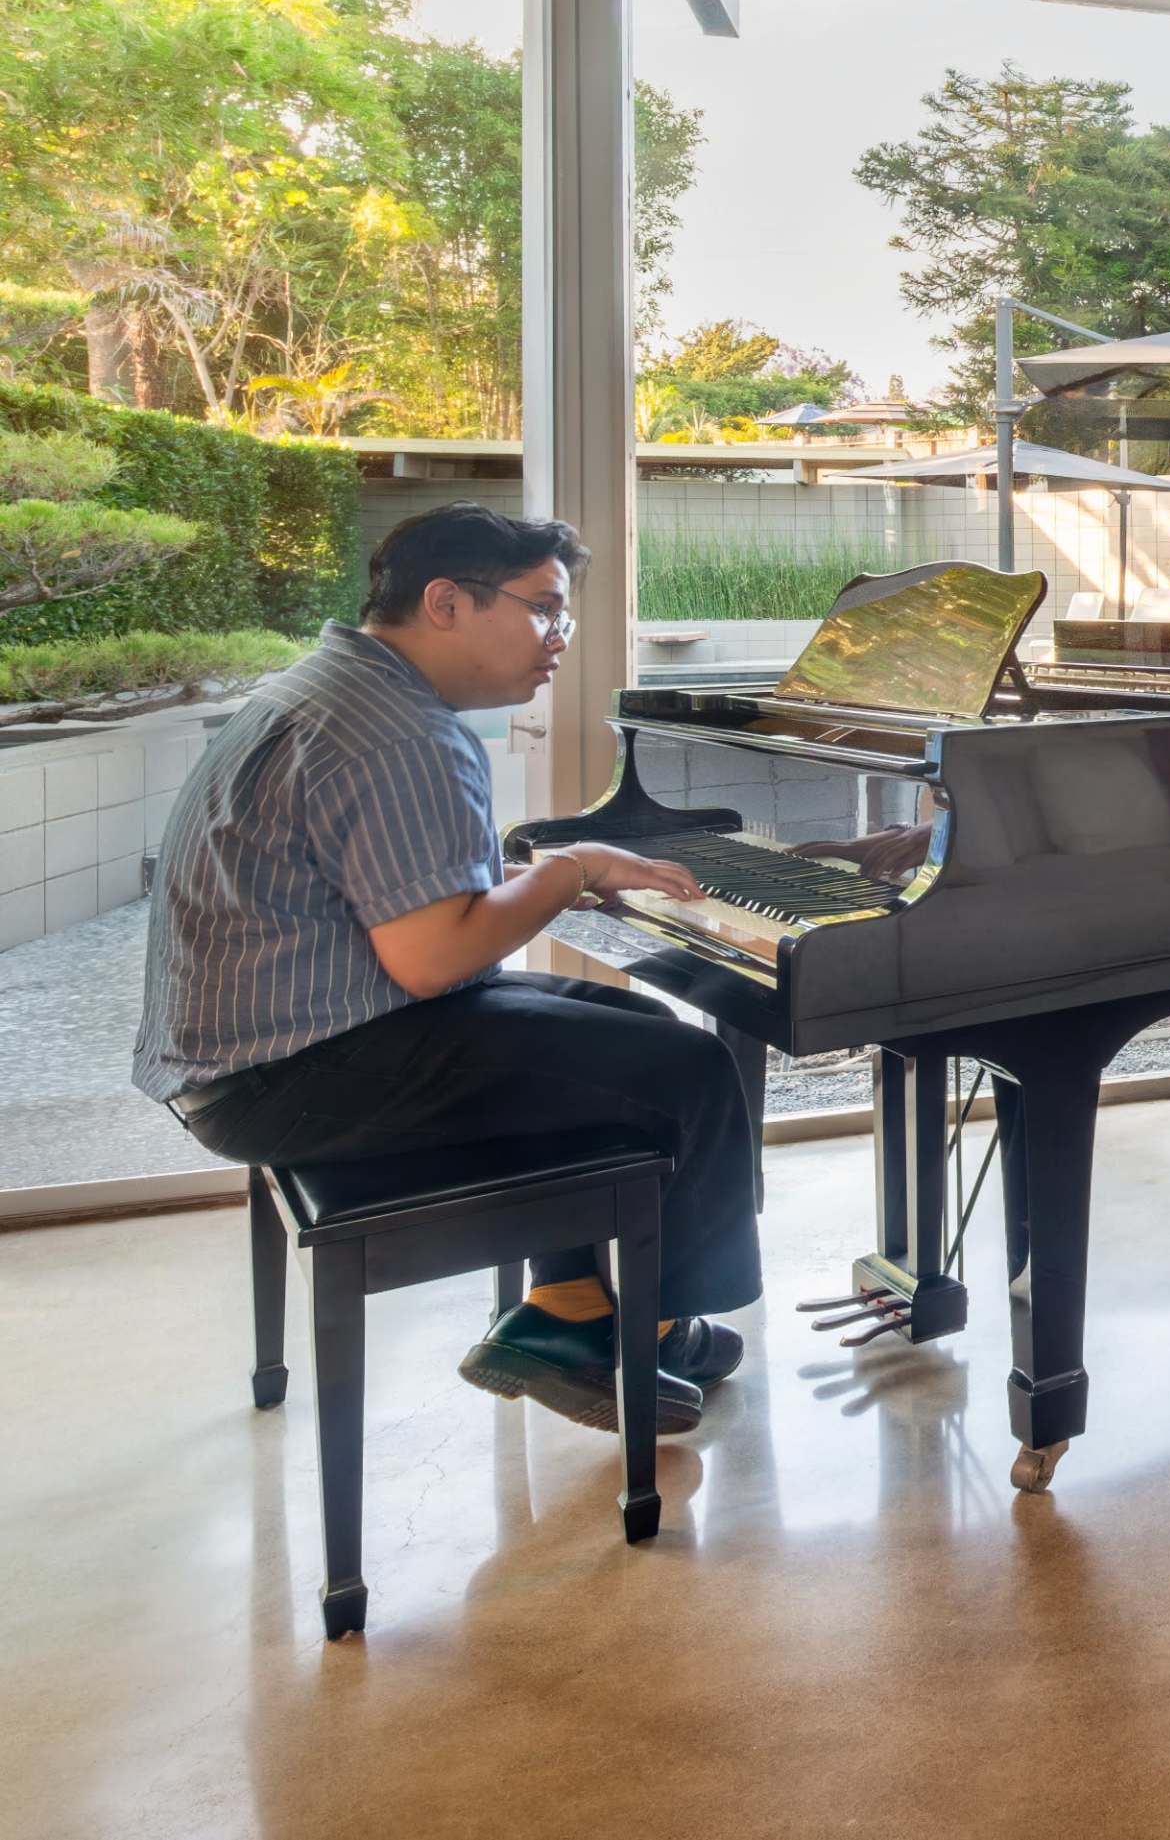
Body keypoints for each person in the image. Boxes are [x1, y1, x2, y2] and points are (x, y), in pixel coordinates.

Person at [135, 504, 756, 1437]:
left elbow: (392, 894)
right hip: (296, 1071)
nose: (557, 639)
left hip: (264, 1045)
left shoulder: (336, 690)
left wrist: (546, 874)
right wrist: (571, 869)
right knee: (689, 1070)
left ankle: (570, 1309)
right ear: (445, 603)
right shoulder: (400, 733)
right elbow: (434, 959)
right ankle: (651, 1331)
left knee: (618, 1030)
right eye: (544, 609)